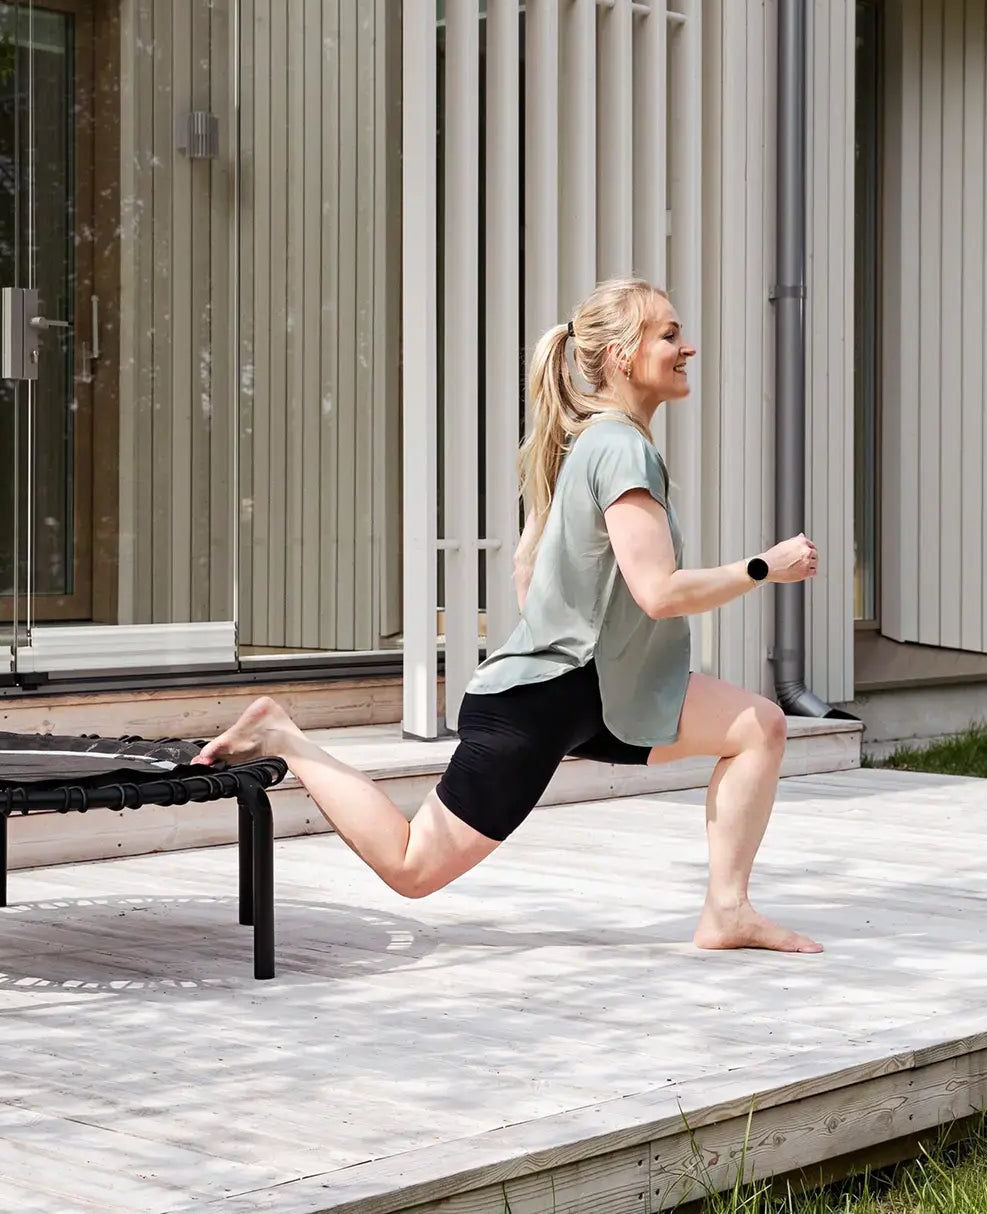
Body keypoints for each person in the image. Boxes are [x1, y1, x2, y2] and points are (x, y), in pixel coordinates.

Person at [197, 278, 823, 953]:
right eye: (668, 334)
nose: (686, 346)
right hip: (545, 701)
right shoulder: (620, 448)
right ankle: (285, 737)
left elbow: (530, 576)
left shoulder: (587, 444)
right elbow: (658, 592)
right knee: (412, 867)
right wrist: (764, 567)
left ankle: (727, 912)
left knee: (760, 725)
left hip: (599, 690)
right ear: (617, 354)